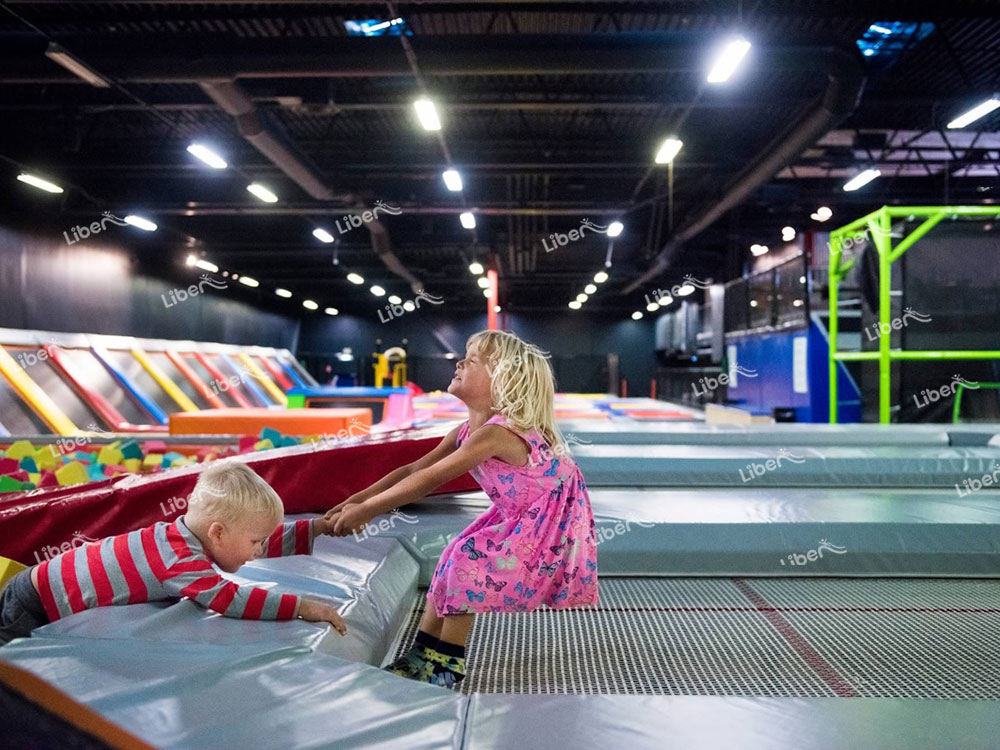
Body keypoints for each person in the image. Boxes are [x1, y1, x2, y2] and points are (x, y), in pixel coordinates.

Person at [327, 330, 598, 688]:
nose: (459, 362)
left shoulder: (496, 434)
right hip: (517, 514)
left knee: (468, 561)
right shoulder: (466, 430)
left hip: (547, 523)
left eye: (472, 361)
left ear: (503, 381)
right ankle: (423, 653)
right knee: (450, 559)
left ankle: (446, 662)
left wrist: (370, 510)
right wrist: (358, 499)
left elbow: (429, 481)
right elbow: (413, 470)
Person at [0, 462, 346, 646]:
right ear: (218, 533)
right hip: (32, 605)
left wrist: (315, 528)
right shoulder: (181, 562)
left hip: (33, 585)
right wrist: (302, 607)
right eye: (256, 541)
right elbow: (230, 599)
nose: (258, 551)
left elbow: (257, 543)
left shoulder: (181, 537)